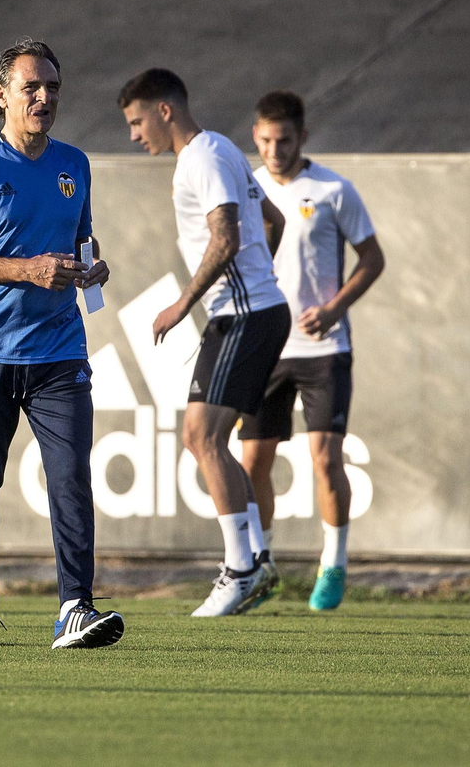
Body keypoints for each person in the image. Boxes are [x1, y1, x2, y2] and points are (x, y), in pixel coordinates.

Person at [0, 40, 123, 649]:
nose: (45, 98)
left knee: (70, 481)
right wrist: (28, 269)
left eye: (54, 88)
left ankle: (75, 608)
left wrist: (91, 270)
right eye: (32, 88)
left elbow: (81, 241)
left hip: (60, 351)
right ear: (2, 95)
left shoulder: (76, 165)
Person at [119, 68, 289, 617]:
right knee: (209, 438)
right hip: (248, 310)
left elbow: (227, 236)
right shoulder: (216, 152)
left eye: (136, 120)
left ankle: (240, 569)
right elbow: (274, 219)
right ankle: (255, 560)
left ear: (164, 111)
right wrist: (257, 277)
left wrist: (183, 304)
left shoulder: (205, 156)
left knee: (200, 434)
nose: (133, 134)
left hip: (242, 314)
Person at [241, 91, 384, 611]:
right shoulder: (247, 187)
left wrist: (334, 308)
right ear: (254, 138)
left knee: (325, 459)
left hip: (323, 347)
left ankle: (333, 563)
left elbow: (372, 258)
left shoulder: (332, 189)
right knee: (254, 460)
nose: (274, 150)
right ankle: (261, 567)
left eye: (284, 140)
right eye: (265, 140)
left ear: (303, 137)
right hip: (266, 346)